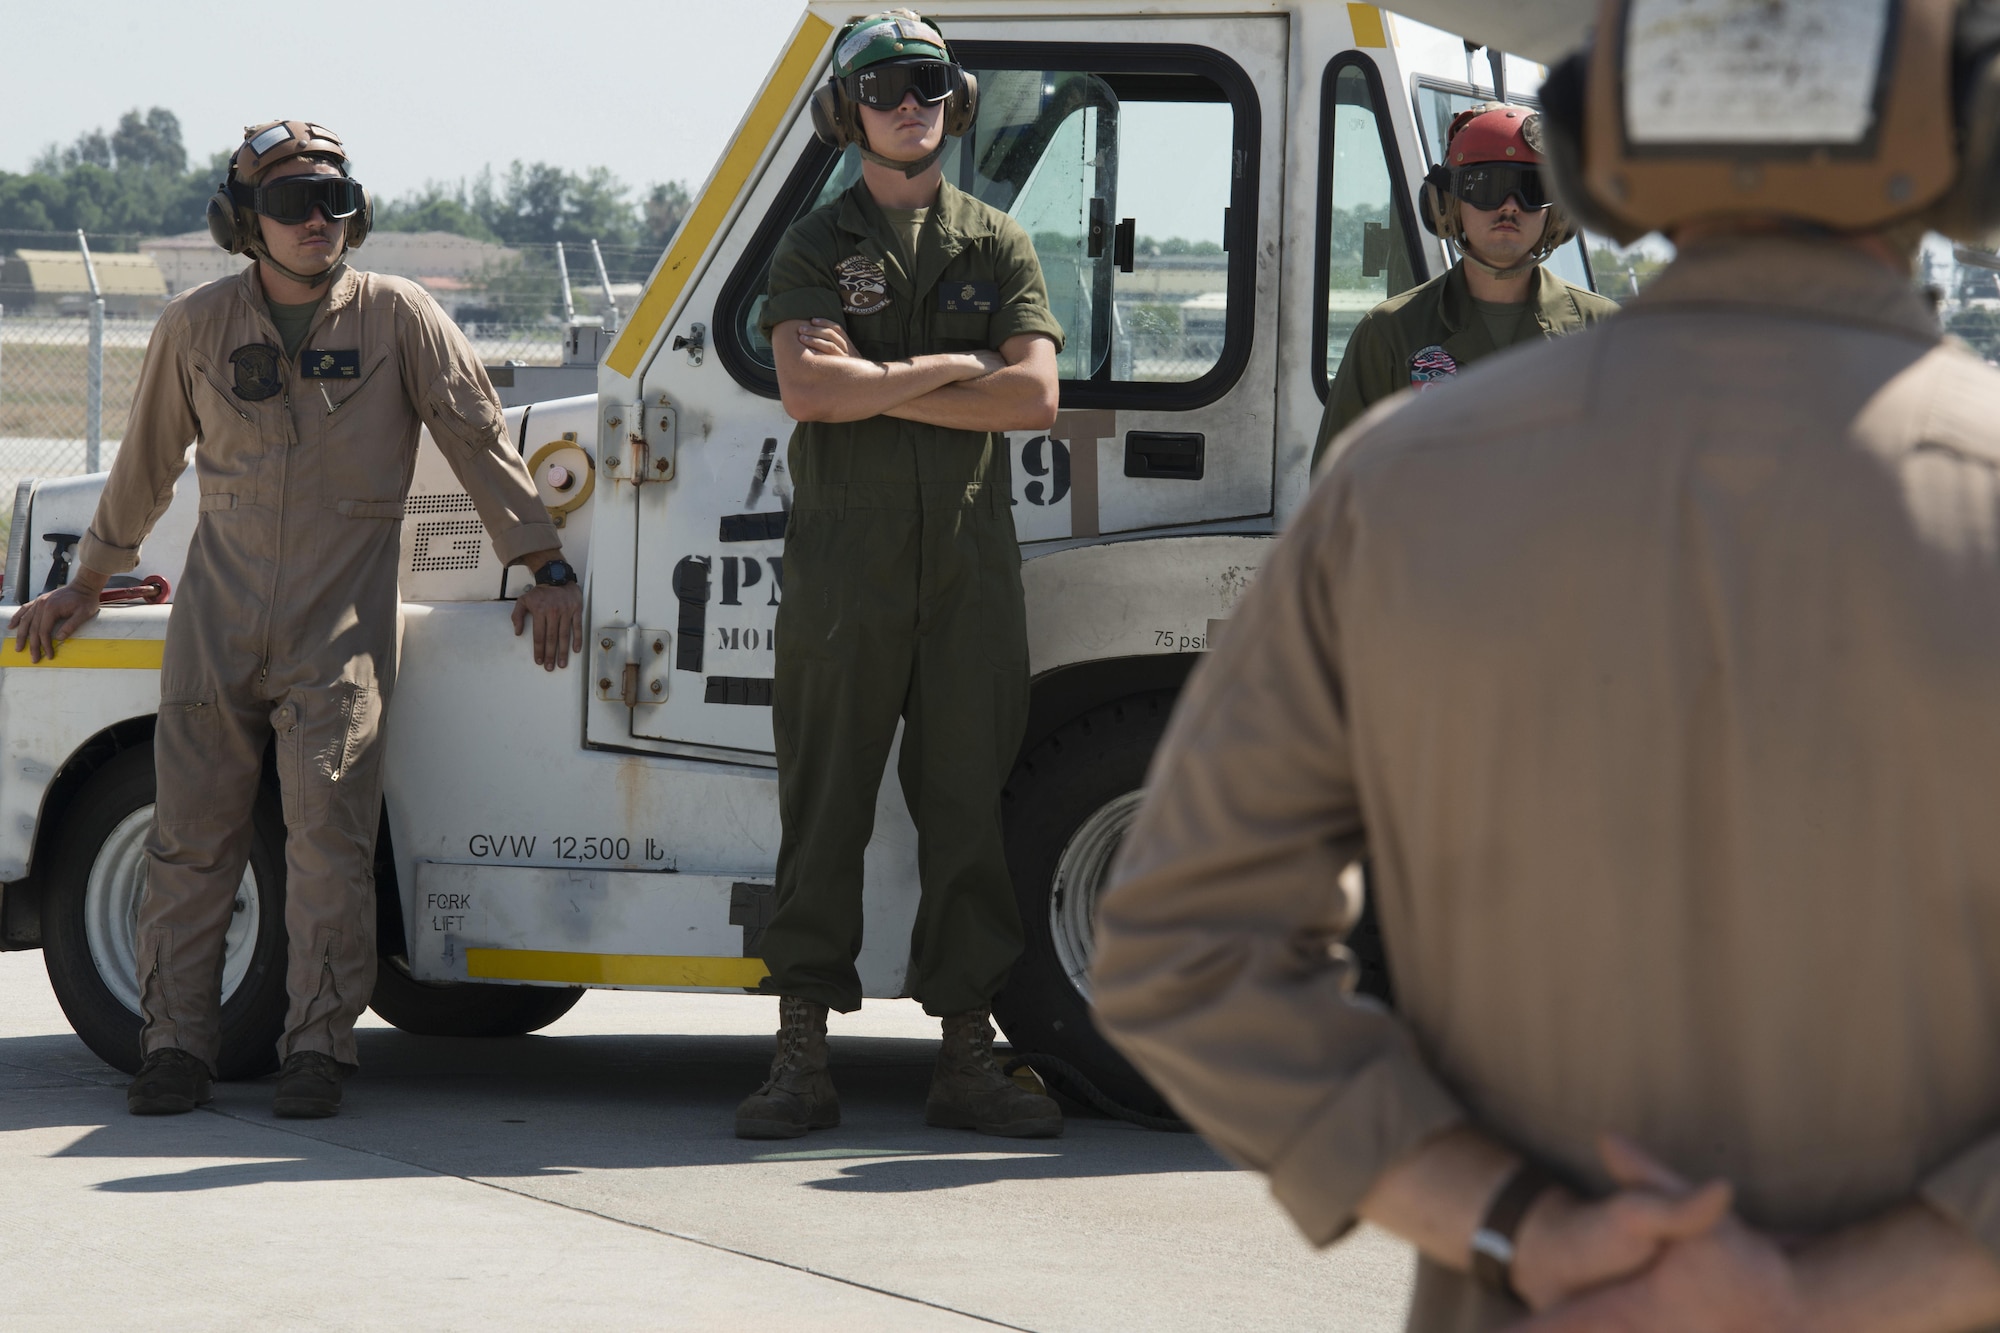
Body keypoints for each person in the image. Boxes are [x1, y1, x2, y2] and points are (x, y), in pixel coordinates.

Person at [1092, 0, 2000, 1329]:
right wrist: (1826, 1290)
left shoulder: (1394, 490)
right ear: (1968, 135)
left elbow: (1181, 945)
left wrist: (1523, 1226)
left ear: (1590, 145)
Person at [8, 121, 583, 1120]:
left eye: (335, 199)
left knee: (328, 840)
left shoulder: (399, 318)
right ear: (244, 223)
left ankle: (317, 1047)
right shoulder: (196, 327)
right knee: (188, 841)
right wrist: (87, 582)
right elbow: (144, 466)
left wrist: (545, 564)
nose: (319, 220)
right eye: (291, 205)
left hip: (339, 627)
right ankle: (176, 1047)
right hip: (215, 620)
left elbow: (479, 439)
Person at [737, 11, 1066, 1141]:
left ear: (953, 97)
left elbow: (1032, 402)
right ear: (849, 110)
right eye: (881, 86)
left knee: (967, 804)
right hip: (846, 564)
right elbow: (808, 394)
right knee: (821, 804)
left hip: (969, 561)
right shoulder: (814, 245)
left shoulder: (997, 242)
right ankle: (798, 1055)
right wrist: (946, 368)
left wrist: (876, 375)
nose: (906, 101)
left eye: (925, 81)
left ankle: (966, 1055)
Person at [1311, 103, 1619, 471]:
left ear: (1558, 214)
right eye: (1487, 186)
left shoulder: (1606, 333)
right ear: (1447, 205)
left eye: (1531, 189)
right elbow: (1337, 488)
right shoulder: (1390, 333)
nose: (1510, 207)